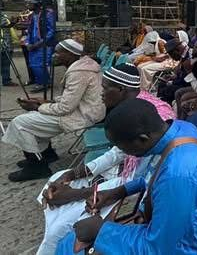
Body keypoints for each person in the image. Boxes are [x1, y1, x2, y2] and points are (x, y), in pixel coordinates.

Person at [35, 63, 175, 255]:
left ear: (121, 89)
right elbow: (118, 153)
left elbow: (143, 179)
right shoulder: (131, 109)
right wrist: (73, 174)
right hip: (128, 176)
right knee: (59, 178)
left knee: (62, 226)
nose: (101, 93)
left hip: (134, 182)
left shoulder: (153, 119)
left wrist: (81, 194)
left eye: (105, 88)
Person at [54, 98, 197, 255]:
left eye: (121, 146)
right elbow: (153, 175)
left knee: (69, 246)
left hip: (182, 248)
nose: (122, 152)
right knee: (71, 240)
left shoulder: (178, 176)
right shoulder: (180, 130)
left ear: (142, 139)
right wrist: (118, 192)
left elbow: (161, 249)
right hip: (166, 229)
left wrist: (101, 230)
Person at [3, 40, 105, 181]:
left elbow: (65, 107)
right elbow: (73, 98)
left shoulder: (79, 72)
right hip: (86, 111)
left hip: (84, 116)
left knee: (20, 122)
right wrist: (45, 102)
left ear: (70, 54)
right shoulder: (84, 66)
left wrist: (37, 107)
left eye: (58, 52)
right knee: (33, 116)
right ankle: (47, 154)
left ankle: (37, 166)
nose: (53, 55)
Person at [26, 0, 56, 92]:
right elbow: (29, 31)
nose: (27, 5)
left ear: (36, 4)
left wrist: (40, 42)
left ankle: (43, 84)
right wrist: (28, 43)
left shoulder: (47, 14)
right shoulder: (32, 15)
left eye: (29, 3)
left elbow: (51, 30)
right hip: (33, 44)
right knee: (33, 64)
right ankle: (45, 82)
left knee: (40, 64)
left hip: (44, 44)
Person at [156, 38, 192, 103]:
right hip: (183, 81)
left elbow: (186, 80)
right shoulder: (183, 56)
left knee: (168, 89)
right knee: (162, 84)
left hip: (189, 85)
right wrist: (173, 77)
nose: (171, 57)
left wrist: (172, 82)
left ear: (177, 50)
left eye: (171, 54)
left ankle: (163, 104)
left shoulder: (188, 57)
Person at [0, 3, 17, 86]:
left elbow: (7, 26)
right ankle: (6, 80)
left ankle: (6, 80)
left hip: (7, 43)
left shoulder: (4, 15)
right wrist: (12, 22)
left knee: (6, 63)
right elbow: (5, 25)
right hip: (3, 43)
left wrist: (13, 22)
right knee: (5, 63)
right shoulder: (3, 17)